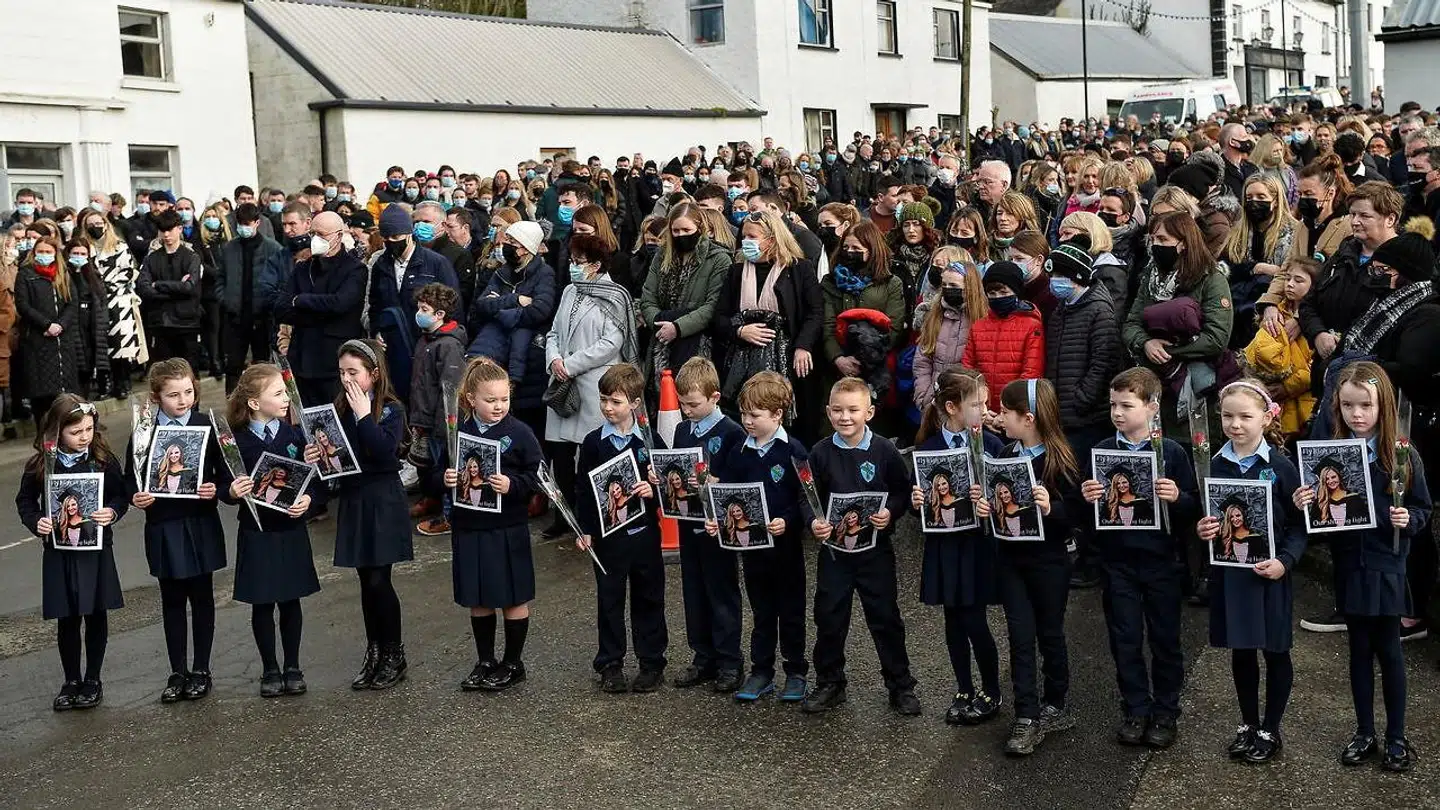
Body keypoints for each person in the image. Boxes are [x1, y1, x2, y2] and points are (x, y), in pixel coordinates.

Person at [1292, 364, 1426, 771]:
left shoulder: (1400, 454)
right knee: (1358, 650)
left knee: (1389, 650)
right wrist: (1303, 503)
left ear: (1382, 406)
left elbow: (1422, 507)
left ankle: (1396, 736)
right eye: (1348, 405)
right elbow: (1319, 519)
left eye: (1366, 405)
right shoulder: (1330, 455)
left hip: (1387, 565)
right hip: (1350, 564)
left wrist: (1409, 519)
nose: (1357, 414)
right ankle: (1365, 731)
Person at [1080, 368, 1195, 748]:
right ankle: (1135, 708)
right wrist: (1088, 498)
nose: (1117, 412)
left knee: (1165, 639)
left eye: (1126, 406)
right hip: (1118, 562)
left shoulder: (1171, 452)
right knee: (1125, 638)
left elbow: (1195, 509)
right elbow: (1088, 517)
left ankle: (1165, 711)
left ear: (1152, 407)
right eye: (1113, 404)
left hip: (1162, 562)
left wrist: (1177, 498)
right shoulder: (1101, 451)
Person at [1195, 380, 1305, 764]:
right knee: (1241, 651)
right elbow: (1206, 515)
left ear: (1266, 418)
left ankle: (1270, 728)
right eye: (1228, 416)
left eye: (1245, 416)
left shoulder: (1280, 467)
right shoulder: (1212, 463)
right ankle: (1248, 722)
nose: (1235, 424)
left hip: (1270, 575)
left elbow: (1300, 526)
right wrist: (1202, 529)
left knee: (1275, 651)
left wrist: (1285, 561)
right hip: (1233, 577)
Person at [975, 379, 1080, 757]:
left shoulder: (1060, 459)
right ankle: (1026, 714)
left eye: (1006, 412)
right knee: (1020, 636)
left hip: (1049, 562)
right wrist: (985, 507)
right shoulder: (1005, 453)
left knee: (1049, 632)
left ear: (1029, 418)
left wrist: (1052, 508)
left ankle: (1056, 701)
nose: (1000, 418)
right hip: (1011, 560)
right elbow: (999, 505)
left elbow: (1078, 515)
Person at [803, 377, 918, 716]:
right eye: (838, 410)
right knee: (829, 617)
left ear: (869, 412)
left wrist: (890, 512)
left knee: (885, 618)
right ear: (828, 411)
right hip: (835, 554)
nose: (845, 417)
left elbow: (901, 491)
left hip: (875, 553)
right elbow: (806, 496)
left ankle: (900, 685)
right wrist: (813, 521)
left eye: (853, 410)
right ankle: (830, 682)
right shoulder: (820, 452)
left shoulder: (884, 451)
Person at [306, 339, 412, 690]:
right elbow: (336, 463)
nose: (346, 379)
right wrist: (317, 455)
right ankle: (375, 650)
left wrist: (365, 415)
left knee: (380, 579)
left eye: (354, 372)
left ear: (374, 373)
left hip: (382, 499)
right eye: (342, 373)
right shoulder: (339, 409)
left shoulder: (391, 410)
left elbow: (383, 452)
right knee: (366, 581)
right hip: (354, 499)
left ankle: (394, 653)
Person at [16, 394, 128, 710]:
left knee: (95, 613)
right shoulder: (41, 464)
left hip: (94, 550)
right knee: (67, 617)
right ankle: (71, 680)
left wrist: (112, 512)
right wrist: (36, 521)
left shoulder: (103, 460)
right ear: (57, 430)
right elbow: (25, 501)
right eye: (75, 432)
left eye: (89, 429)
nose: (84, 437)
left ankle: (92, 679)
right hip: (60, 552)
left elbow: (120, 496)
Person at [706, 371, 811, 703]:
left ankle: (796, 672)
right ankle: (761, 671)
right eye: (743, 414)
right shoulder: (738, 450)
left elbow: (806, 499)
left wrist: (787, 521)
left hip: (786, 549)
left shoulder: (794, 450)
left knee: (791, 613)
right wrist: (717, 519)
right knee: (762, 613)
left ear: (777, 414)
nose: (747, 421)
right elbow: (726, 492)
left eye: (754, 415)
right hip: (752, 550)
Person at [440, 357, 543, 692]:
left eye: (504, 399)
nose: (499, 406)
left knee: (513, 596)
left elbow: (539, 476)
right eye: (491, 400)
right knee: (479, 596)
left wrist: (513, 484)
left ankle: (513, 663)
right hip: (470, 526)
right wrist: (446, 478)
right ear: (471, 398)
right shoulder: (459, 432)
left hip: (507, 527)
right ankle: (485, 660)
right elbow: (438, 469)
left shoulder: (520, 433)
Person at [124, 360, 226, 703]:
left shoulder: (206, 425)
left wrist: (215, 489)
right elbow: (129, 479)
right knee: (171, 599)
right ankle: (177, 671)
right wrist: (135, 496)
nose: (183, 400)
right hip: (163, 525)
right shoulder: (143, 433)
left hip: (199, 522)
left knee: (202, 596)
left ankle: (201, 669)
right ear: (156, 398)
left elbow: (225, 474)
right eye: (173, 395)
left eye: (188, 392)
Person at [912, 369, 1006, 725]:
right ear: (952, 407)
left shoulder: (992, 445)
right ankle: (964, 687)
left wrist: (989, 501)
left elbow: (1007, 492)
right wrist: (917, 501)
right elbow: (919, 503)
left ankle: (992, 689)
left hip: (977, 545)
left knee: (975, 620)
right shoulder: (927, 449)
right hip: (945, 545)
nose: (986, 410)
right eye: (977, 404)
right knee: (953, 620)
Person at [220, 363, 320, 697]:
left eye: (285, 392)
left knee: (291, 600)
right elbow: (222, 484)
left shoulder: (294, 435)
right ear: (253, 403)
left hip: (290, 528)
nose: (285, 398)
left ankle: (292, 666)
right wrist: (232, 491)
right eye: (277, 393)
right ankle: (270, 669)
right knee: (262, 603)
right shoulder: (235, 442)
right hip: (257, 531)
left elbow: (314, 480)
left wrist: (308, 498)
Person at [574, 363, 667, 694]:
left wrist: (651, 489)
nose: (608, 407)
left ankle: (651, 662)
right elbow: (584, 490)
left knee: (649, 597)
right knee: (609, 599)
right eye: (603, 400)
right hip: (608, 539)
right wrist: (585, 529)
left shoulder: (650, 441)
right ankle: (610, 663)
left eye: (615, 401)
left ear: (635, 403)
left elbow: (668, 485)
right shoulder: (593, 443)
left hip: (644, 534)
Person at [542, 234, 640, 540]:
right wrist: (554, 359)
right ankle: (564, 516)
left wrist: (571, 364)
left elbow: (612, 342)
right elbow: (554, 332)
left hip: (594, 384)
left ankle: (598, 516)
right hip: (562, 383)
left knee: (593, 453)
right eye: (572, 261)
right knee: (560, 455)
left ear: (596, 265)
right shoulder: (570, 290)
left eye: (579, 262)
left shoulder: (615, 295)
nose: (573, 266)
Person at [657, 357, 745, 692]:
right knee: (693, 592)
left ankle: (730, 661)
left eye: (693, 404)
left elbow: (740, 483)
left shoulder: (732, 432)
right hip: (688, 522)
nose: (686, 410)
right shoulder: (682, 429)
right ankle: (703, 656)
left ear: (714, 397)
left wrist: (716, 482)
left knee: (721, 593)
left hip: (718, 528)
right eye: (682, 403)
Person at [1121, 210, 1235, 438]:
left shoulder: (1211, 279)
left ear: (1184, 243)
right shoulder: (1151, 278)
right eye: (1153, 239)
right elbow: (1131, 324)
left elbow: (1216, 338)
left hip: (1198, 388)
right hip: (1156, 386)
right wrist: (1146, 344)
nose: (1156, 245)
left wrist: (1168, 351)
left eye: (1163, 239)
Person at [711, 209, 821, 431]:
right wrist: (740, 331)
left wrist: (803, 346)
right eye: (744, 236)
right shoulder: (736, 271)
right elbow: (719, 317)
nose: (746, 241)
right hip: (741, 359)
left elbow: (815, 312)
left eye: (752, 236)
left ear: (772, 239)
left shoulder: (799, 269)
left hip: (787, 357)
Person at [1299, 182, 1405, 399]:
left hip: (1372, 384)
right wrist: (1318, 334)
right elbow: (1309, 303)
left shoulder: (1406, 263)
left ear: (1390, 219)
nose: (1355, 221)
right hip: (1327, 375)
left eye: (1364, 216)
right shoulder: (1343, 254)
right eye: (1353, 214)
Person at [465, 220, 555, 438]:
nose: (506, 245)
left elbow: (539, 310)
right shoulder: (501, 272)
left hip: (528, 361)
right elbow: (483, 305)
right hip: (497, 351)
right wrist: (515, 299)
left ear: (525, 248)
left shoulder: (544, 273)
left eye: (512, 242)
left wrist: (501, 311)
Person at [273, 210, 366, 407]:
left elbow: (341, 304)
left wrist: (301, 300)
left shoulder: (354, 269)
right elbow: (280, 308)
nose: (315, 239)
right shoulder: (303, 268)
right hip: (302, 360)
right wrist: (318, 312)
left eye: (321, 234)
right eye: (312, 233)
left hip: (335, 363)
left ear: (338, 236)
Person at [640, 202, 729, 395]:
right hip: (661, 338)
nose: (681, 235)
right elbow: (648, 298)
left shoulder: (718, 259)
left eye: (686, 230)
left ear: (700, 228)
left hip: (699, 343)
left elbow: (712, 305)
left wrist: (678, 327)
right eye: (676, 230)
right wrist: (659, 323)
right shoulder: (662, 256)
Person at [407, 284, 469, 535]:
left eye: (424, 309)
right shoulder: (425, 340)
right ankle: (434, 502)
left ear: (440, 314)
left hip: (441, 425)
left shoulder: (448, 346)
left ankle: (450, 515)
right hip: (424, 419)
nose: (419, 314)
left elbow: (450, 391)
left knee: (447, 468)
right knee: (430, 468)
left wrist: (444, 427)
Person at [1220, 175, 1298, 350]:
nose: (1254, 202)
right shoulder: (1238, 231)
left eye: (1261, 197)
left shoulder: (1294, 232)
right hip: (1237, 299)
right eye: (1249, 198)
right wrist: (1255, 268)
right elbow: (1223, 268)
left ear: (1275, 201)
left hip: (1277, 301)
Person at [1243, 258, 1316, 439]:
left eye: (1298, 280)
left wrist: (1286, 386)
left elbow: (1314, 369)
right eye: (1287, 278)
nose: (1290, 284)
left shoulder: (1318, 321)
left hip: (1305, 401)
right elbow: (1257, 352)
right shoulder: (1273, 315)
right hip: (1273, 396)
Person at [15, 236, 84, 424]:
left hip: (62, 341)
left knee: (64, 394)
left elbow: (72, 303)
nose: (44, 255)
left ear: (55, 253)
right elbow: (23, 305)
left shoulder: (63, 273)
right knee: (41, 396)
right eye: (40, 251)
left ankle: (63, 431)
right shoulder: (25, 274)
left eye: (48, 252)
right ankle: (43, 433)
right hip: (37, 340)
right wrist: (46, 324)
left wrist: (60, 325)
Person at [961, 262, 1045, 414]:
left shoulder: (1032, 326)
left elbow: (1031, 372)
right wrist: (981, 408)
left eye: (1003, 292)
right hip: (983, 410)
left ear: (1016, 292)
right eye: (992, 293)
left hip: (1015, 411)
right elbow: (968, 369)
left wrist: (1007, 412)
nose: (997, 297)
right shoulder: (978, 326)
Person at [215, 203, 282, 394]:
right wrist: (225, 299)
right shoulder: (229, 248)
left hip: (262, 319)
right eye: (240, 224)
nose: (243, 228)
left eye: (248, 224)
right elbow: (220, 278)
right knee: (233, 366)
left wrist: (270, 305)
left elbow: (280, 281)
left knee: (262, 366)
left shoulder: (272, 249)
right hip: (235, 317)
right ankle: (233, 403)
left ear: (257, 223)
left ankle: (263, 401)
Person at [79, 209, 144, 399]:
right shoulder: (84, 248)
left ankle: (122, 382)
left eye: (99, 224)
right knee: (100, 343)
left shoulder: (119, 246)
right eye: (91, 225)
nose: (95, 228)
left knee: (121, 343)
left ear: (106, 225)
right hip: (95, 302)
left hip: (120, 300)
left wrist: (107, 285)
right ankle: (103, 384)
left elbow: (129, 271)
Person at [911, 254, 988, 412]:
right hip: (934, 401)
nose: (948, 289)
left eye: (953, 285)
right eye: (945, 285)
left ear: (970, 287)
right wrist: (923, 397)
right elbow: (922, 361)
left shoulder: (982, 319)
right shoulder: (935, 315)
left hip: (967, 403)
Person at [137, 210, 203, 366]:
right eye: (162, 230)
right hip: (160, 322)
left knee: (188, 369)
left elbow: (189, 287)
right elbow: (144, 288)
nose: (166, 235)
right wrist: (176, 289)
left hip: (186, 322)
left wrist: (158, 285)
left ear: (179, 229)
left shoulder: (191, 257)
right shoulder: (152, 258)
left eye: (170, 230)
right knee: (164, 371)